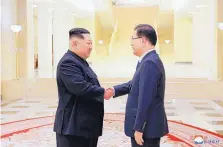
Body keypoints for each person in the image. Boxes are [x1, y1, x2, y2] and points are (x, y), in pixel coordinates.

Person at [105, 24, 169, 147]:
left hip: (147, 129)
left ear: (143, 40)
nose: (131, 43)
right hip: (147, 127)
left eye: (133, 38)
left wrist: (139, 128)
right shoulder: (147, 60)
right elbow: (135, 84)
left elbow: (146, 99)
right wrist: (114, 90)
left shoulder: (149, 63)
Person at [53, 28, 110, 147]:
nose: (91, 47)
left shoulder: (81, 62)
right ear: (74, 43)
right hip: (73, 128)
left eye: (91, 43)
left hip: (85, 127)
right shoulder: (68, 62)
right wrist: (104, 92)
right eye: (88, 43)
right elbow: (80, 87)